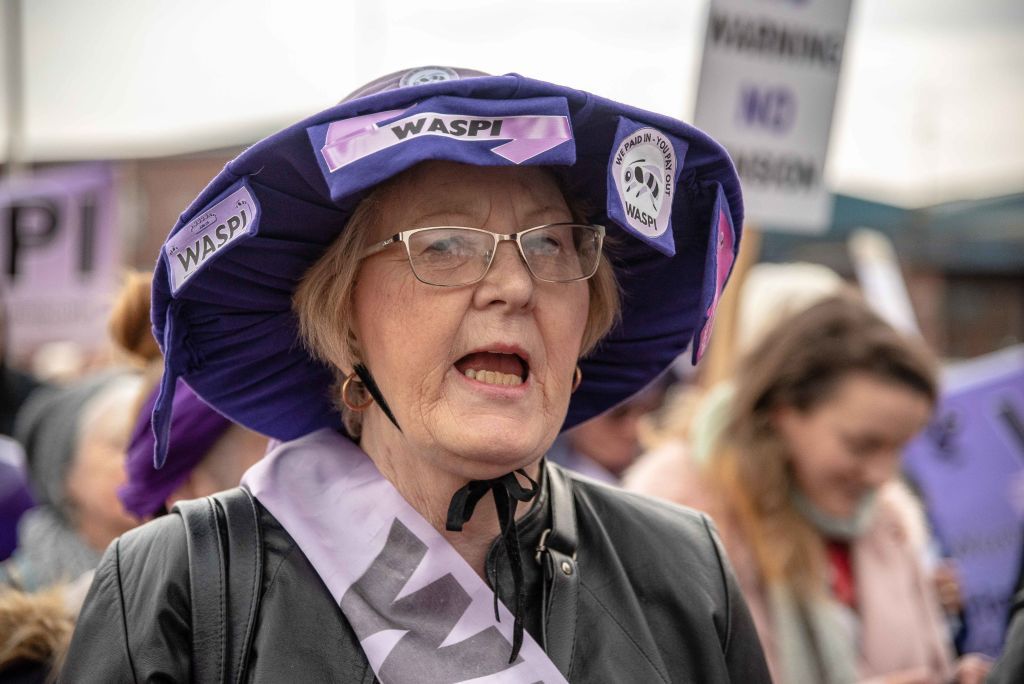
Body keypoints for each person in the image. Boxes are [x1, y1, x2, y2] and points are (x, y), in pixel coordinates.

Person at [62, 66, 771, 682]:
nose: (515, 287)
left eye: (552, 244)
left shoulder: (685, 572)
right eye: (447, 245)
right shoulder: (182, 586)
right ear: (342, 325)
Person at [627, 295, 990, 683]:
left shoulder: (887, 521)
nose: (881, 475)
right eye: (862, 445)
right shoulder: (678, 512)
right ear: (784, 412)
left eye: (897, 448)